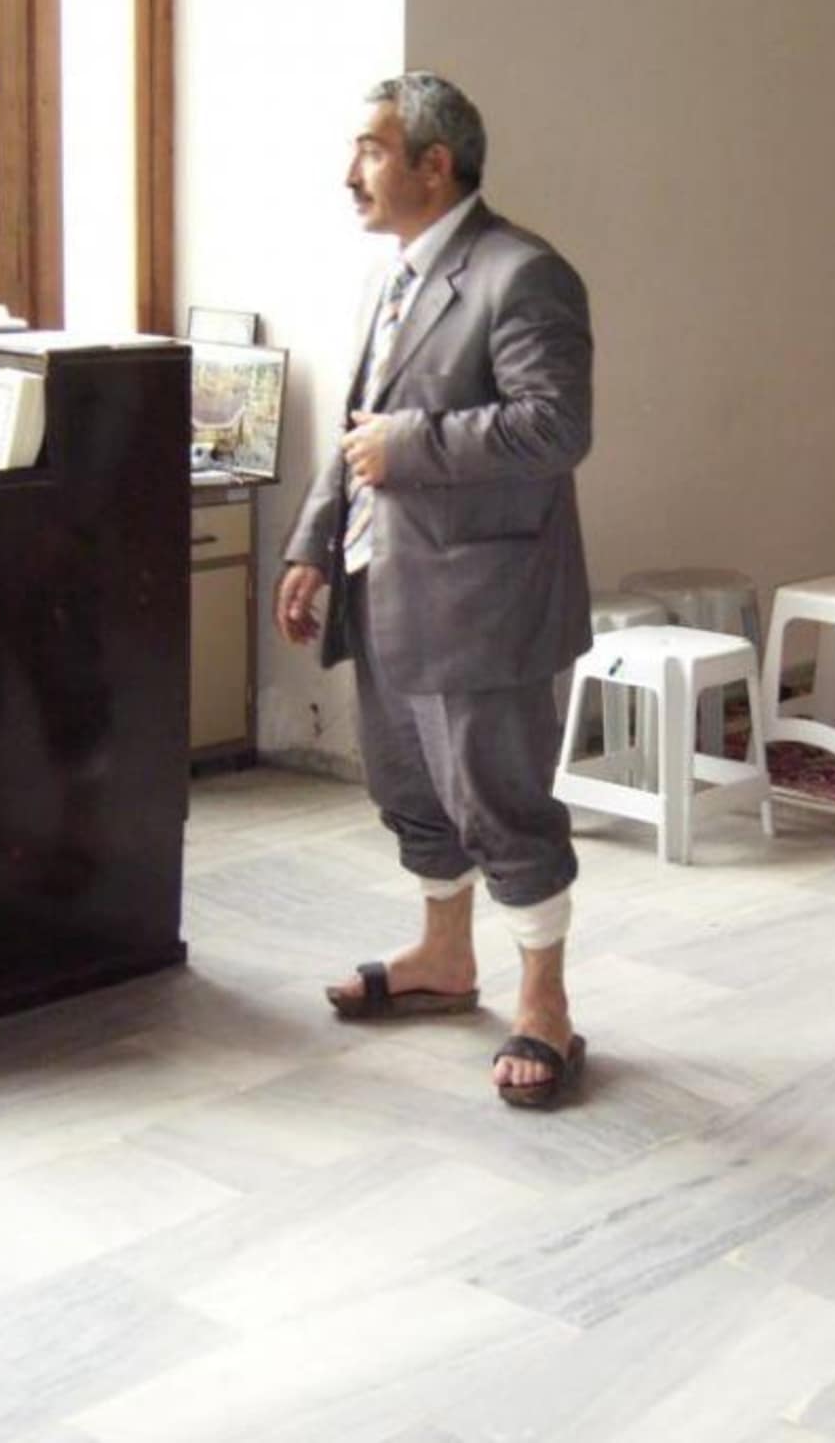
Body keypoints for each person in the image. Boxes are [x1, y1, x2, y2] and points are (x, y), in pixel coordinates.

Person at [274, 71, 593, 1108]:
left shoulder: (523, 274)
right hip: (385, 585)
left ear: (434, 164)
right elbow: (357, 430)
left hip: (483, 602)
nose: (349, 173)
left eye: (370, 150)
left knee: (500, 803)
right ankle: (445, 960)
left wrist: (411, 445)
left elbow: (556, 427)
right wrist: (312, 544)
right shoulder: (394, 278)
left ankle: (544, 1004)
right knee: (411, 792)